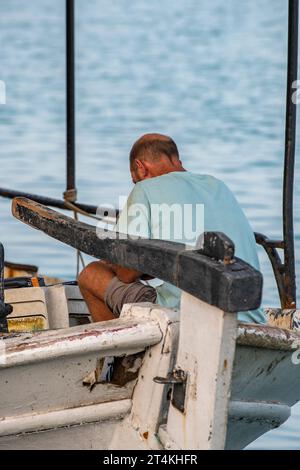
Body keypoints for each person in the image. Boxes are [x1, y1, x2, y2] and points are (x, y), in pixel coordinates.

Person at [78, 133, 266, 324]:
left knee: (91, 274)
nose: (136, 184)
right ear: (177, 161)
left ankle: (120, 354)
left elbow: (127, 273)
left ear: (141, 168)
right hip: (249, 319)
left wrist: (115, 264)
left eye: (135, 180)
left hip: (185, 317)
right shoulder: (219, 186)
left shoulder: (145, 189)